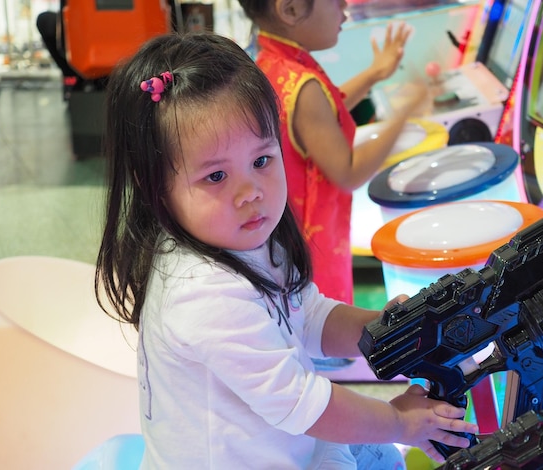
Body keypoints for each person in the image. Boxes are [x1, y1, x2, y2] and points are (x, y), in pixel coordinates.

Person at [95, 32, 477, 469]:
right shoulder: (202, 294)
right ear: (155, 188)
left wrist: (385, 329)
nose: (250, 193)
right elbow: (304, 405)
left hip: (288, 444)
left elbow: (306, 314)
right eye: (215, 177)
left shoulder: (243, 237)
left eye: (261, 161)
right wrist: (398, 422)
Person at [237, 0, 429, 306]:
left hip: (288, 240)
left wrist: (374, 74)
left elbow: (323, 112)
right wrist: (405, 114)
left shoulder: (270, 61)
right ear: (290, 10)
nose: (346, 8)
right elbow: (348, 171)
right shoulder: (305, 84)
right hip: (316, 252)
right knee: (325, 328)